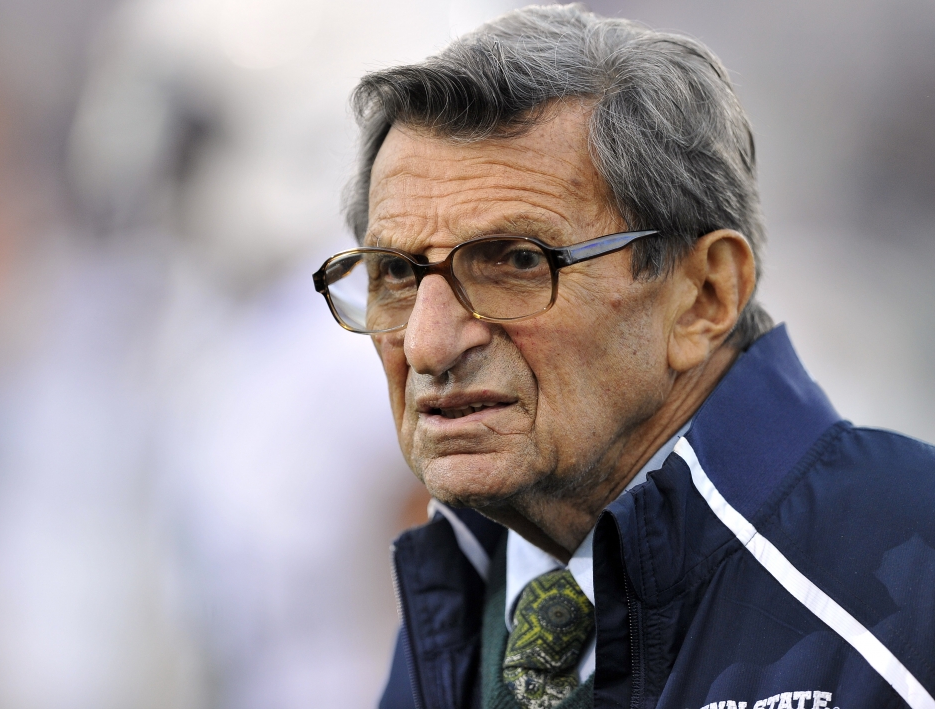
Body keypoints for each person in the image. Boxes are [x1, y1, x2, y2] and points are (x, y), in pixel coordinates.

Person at [311, 5, 935, 709]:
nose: (427, 343)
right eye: (395, 273)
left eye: (516, 260)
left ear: (703, 296)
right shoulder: (459, 601)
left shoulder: (912, 592)